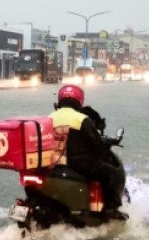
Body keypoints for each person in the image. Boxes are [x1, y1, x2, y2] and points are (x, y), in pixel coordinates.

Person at [49, 84, 127, 219]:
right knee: (112, 173)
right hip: (81, 165)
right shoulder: (81, 119)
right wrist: (107, 142)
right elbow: (96, 143)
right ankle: (110, 208)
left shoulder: (49, 117)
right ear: (79, 101)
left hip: (55, 163)